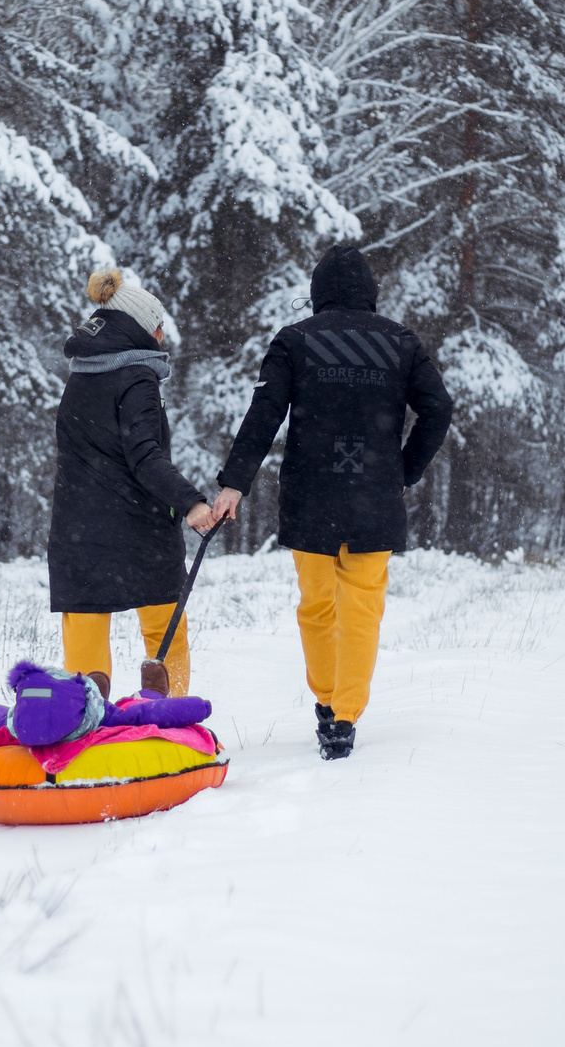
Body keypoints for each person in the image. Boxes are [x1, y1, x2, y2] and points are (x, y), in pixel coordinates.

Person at [206, 245, 453, 758]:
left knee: (317, 607)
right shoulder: (400, 342)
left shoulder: (295, 341)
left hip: (311, 496)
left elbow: (263, 415)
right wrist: (404, 470)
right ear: (370, 291)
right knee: (362, 609)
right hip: (374, 498)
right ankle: (344, 718)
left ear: (317, 293)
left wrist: (234, 484)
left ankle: (324, 702)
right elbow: (439, 410)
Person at [49, 266, 215, 699]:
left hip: (76, 531)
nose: (162, 336)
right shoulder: (137, 378)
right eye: (158, 327)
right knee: (164, 631)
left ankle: (83, 727)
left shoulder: (81, 375)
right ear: (139, 330)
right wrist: (193, 502)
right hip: (139, 528)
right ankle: (171, 718)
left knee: (85, 628)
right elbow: (144, 455)